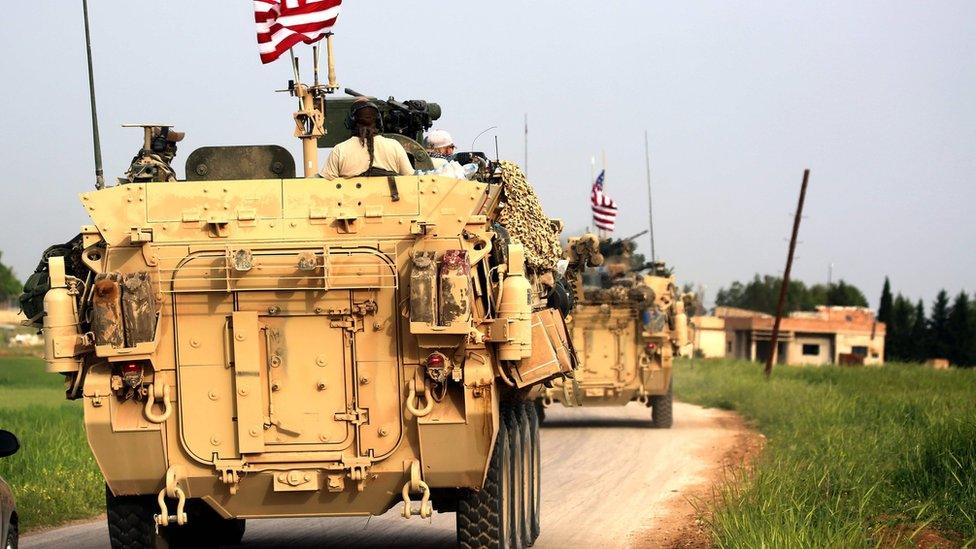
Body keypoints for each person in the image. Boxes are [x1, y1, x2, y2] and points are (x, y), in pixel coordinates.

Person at [320, 98, 413, 179]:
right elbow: (410, 177)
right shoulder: (394, 146)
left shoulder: (340, 150)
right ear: (378, 121)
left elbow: (325, 182)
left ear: (351, 122)